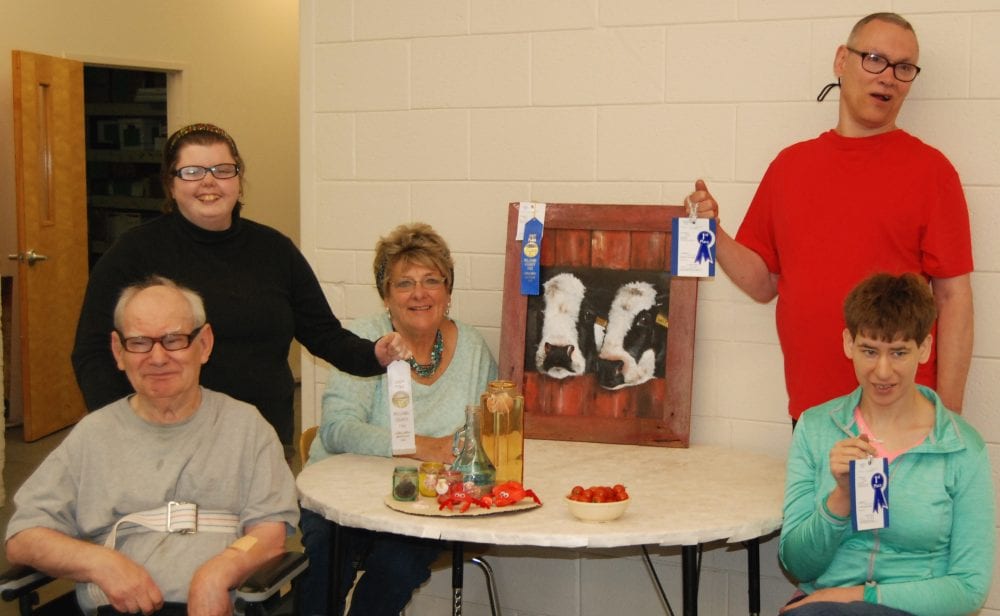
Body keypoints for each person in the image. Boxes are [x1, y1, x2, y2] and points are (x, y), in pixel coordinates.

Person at [685, 12, 973, 422]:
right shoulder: (790, 167)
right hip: (813, 414)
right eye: (874, 59)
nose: (888, 76)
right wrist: (712, 233)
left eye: (903, 67)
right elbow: (764, 282)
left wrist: (951, 415)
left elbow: (954, 298)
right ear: (842, 61)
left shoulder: (933, 172)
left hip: (904, 418)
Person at [71, 123, 409, 455]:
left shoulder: (275, 250)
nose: (208, 181)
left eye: (222, 169)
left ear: (239, 182)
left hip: (262, 438)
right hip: (164, 441)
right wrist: (122, 427)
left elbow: (324, 334)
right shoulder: (134, 254)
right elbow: (92, 351)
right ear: (171, 186)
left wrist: (374, 354)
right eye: (191, 171)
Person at [5, 277, 300, 616]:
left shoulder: (247, 428)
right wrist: (100, 563)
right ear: (119, 352)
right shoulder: (94, 434)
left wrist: (216, 575)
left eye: (174, 340)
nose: (157, 358)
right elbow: (24, 536)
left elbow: (268, 533)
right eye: (140, 342)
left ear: (204, 344)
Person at [298, 222, 498, 616]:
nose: (419, 293)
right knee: (323, 556)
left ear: (449, 291)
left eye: (431, 281)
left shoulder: (472, 347)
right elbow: (338, 430)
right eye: (404, 283)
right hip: (344, 491)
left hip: (422, 502)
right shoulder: (363, 341)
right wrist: (426, 447)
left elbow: (484, 431)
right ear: (386, 297)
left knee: (398, 562)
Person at [778, 273, 994, 615]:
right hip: (824, 608)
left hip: (913, 609)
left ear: (923, 349)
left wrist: (860, 597)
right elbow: (796, 564)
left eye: (898, 352)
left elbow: (969, 587)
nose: (882, 371)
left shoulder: (961, 447)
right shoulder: (816, 428)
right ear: (848, 343)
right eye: (869, 350)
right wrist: (841, 499)